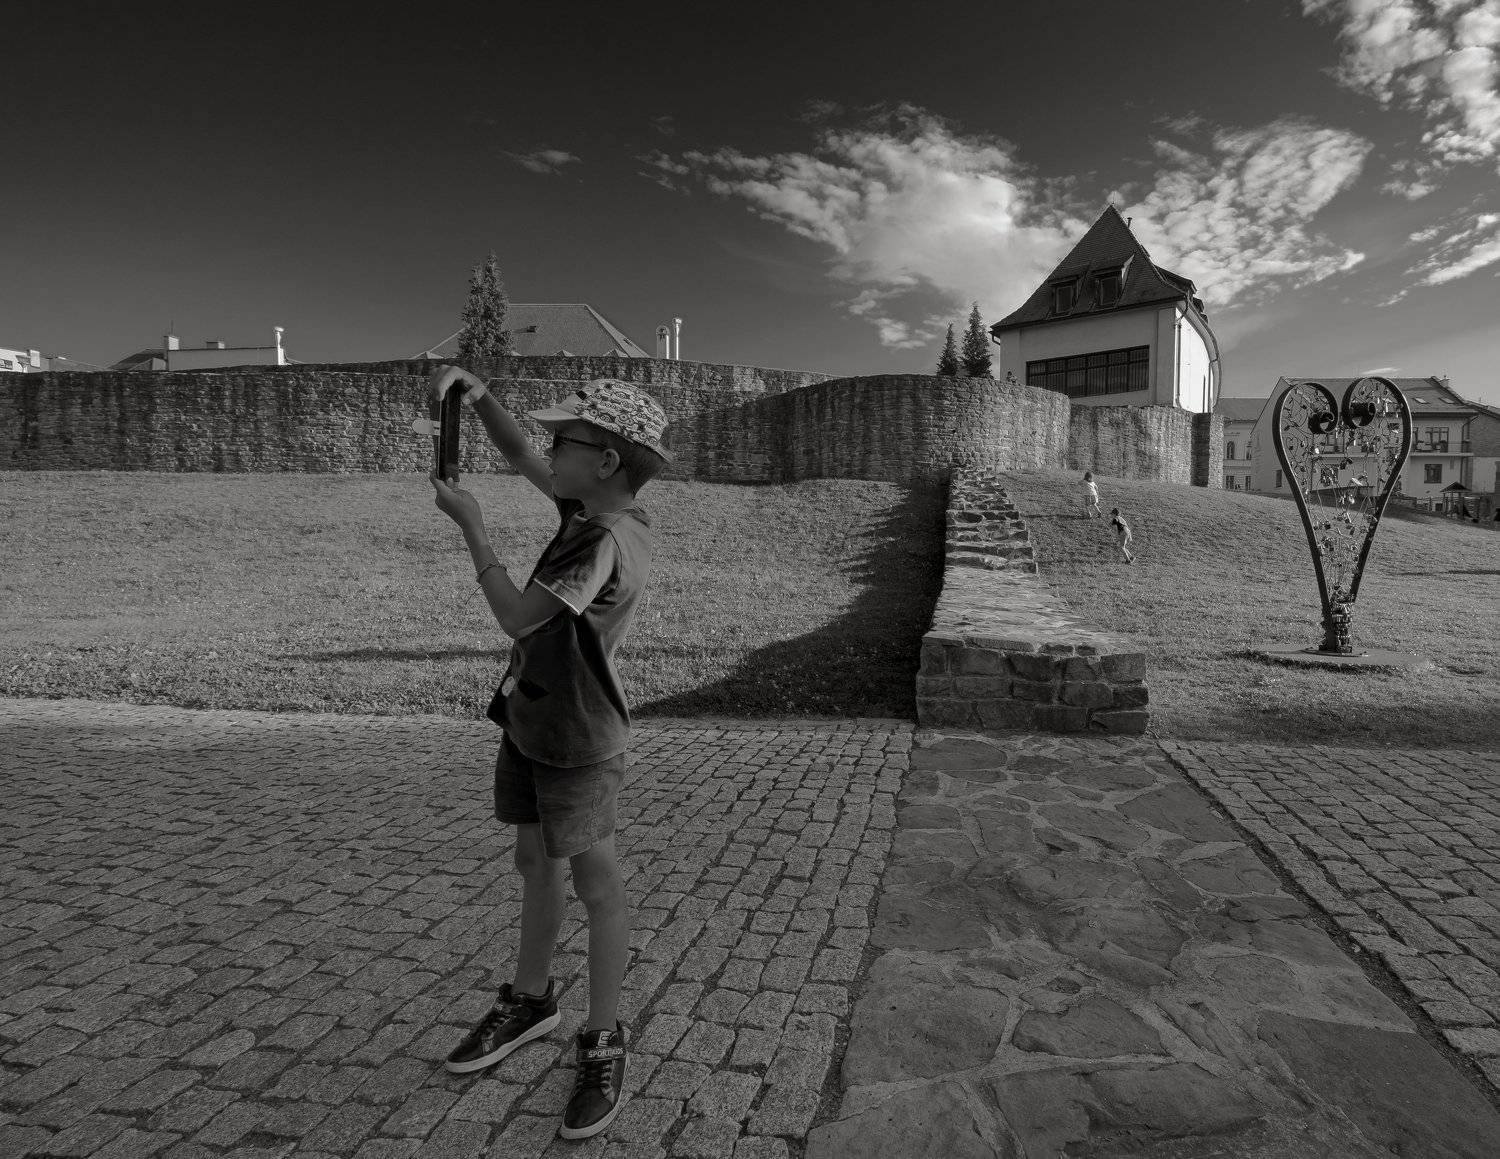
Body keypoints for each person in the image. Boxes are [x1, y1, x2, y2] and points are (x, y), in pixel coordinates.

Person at [426, 364, 671, 1141]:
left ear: (606, 460)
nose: (549, 453)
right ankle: (532, 999)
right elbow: (516, 454)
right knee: (536, 862)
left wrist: (472, 527)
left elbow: (518, 616)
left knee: (598, 885)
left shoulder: (597, 540)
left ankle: (603, 1036)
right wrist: (479, 397)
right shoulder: (597, 508)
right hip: (531, 719)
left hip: (578, 739)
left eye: (566, 442)